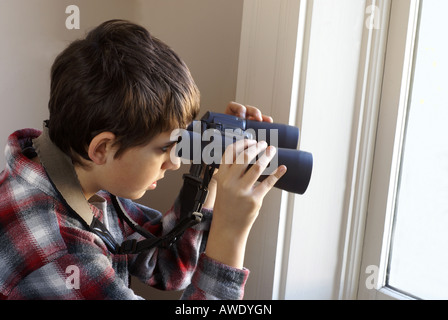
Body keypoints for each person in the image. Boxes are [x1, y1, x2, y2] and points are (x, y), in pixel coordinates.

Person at [0, 20, 286, 300]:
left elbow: (169, 265)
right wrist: (231, 232)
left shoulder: (75, 175)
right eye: (164, 149)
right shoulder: (61, 252)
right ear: (102, 148)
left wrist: (210, 173)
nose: (173, 163)